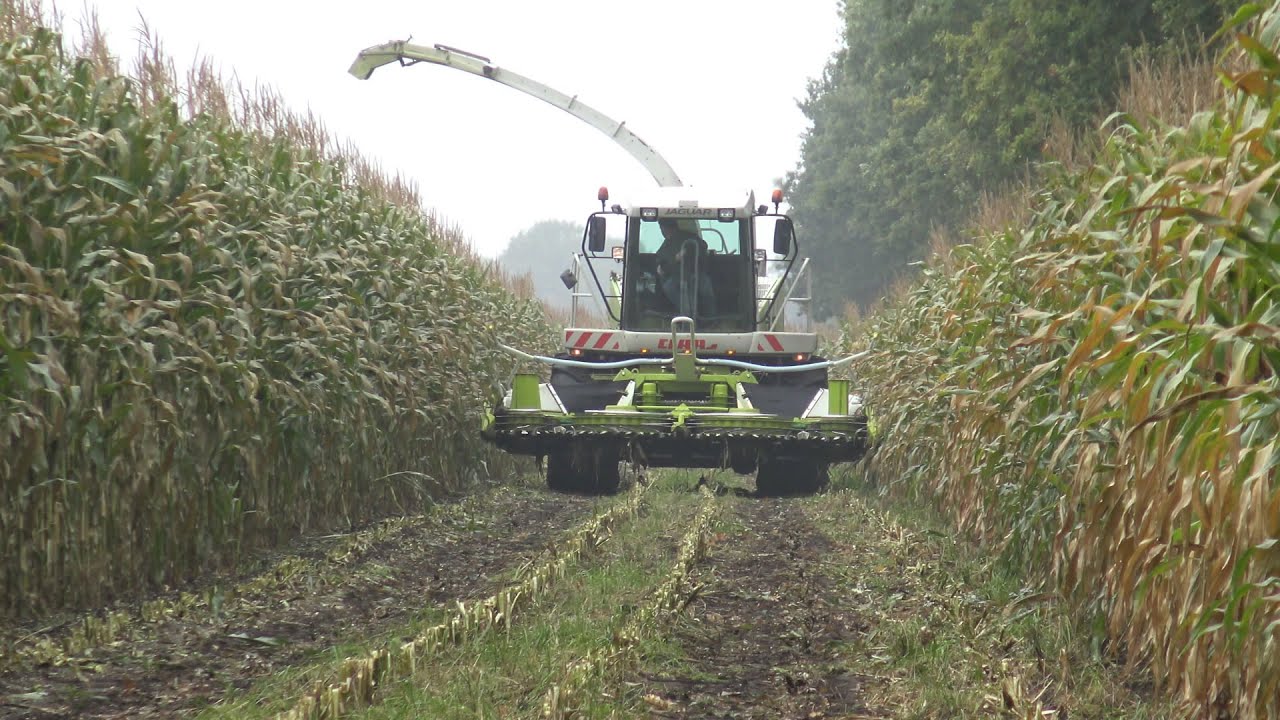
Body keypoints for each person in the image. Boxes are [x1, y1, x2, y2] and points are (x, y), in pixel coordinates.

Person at [656, 219, 716, 317]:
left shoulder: (689, 237)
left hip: (696, 274)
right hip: (677, 276)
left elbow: (703, 246)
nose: (663, 231)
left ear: (671, 227)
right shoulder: (667, 243)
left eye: (664, 228)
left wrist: (689, 251)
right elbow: (661, 259)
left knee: (706, 288)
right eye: (661, 229)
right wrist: (664, 264)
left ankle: (710, 318)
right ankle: (685, 315)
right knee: (669, 287)